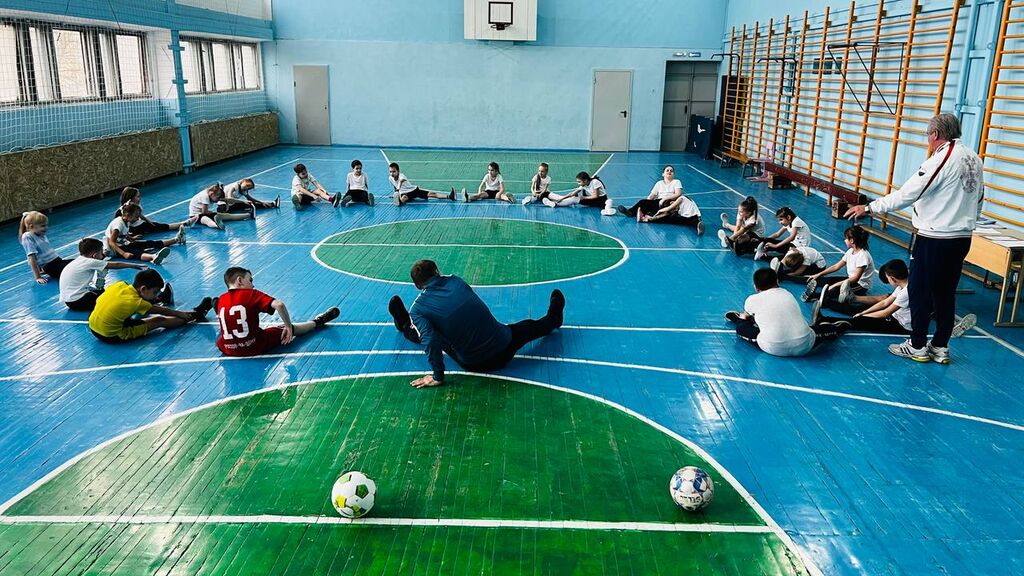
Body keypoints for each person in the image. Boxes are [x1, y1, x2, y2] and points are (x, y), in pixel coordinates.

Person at [845, 113, 984, 364]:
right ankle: (940, 346)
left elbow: (908, 193)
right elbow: (979, 197)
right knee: (945, 293)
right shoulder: (973, 158)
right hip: (962, 237)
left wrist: (869, 207)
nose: (927, 140)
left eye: (927, 135)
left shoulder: (942, 158)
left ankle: (917, 344)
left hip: (935, 238)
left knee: (919, 291)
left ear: (935, 134)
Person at [387, 259, 565, 388]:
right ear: (437, 271)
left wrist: (437, 376)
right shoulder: (456, 281)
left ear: (418, 286)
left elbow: (430, 341)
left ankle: (405, 324)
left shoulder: (418, 309)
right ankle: (553, 318)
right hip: (505, 345)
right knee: (530, 327)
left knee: (428, 331)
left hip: (476, 363)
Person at [815, 259, 977, 341]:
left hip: (901, 326)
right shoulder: (903, 285)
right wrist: (865, 311)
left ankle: (825, 321)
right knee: (859, 314)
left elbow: (885, 311)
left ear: (892, 278)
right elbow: (885, 303)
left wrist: (863, 316)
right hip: (894, 317)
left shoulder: (907, 291)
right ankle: (827, 310)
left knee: (860, 322)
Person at [215, 267, 339, 357]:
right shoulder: (251, 294)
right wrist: (288, 326)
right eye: (250, 280)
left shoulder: (221, 299)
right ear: (240, 280)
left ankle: (216, 310)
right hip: (254, 346)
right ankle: (318, 321)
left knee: (222, 337)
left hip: (228, 348)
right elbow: (279, 305)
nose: (252, 285)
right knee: (287, 329)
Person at [724, 268, 849, 357]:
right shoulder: (787, 293)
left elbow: (746, 316)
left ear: (756, 287)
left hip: (773, 347)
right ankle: (838, 328)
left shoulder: (752, 299)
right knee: (818, 332)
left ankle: (736, 319)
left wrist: (743, 318)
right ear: (777, 282)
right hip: (804, 345)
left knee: (742, 328)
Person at [88, 269, 214, 344]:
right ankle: (197, 314)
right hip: (111, 335)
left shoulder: (119, 285)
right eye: (155, 292)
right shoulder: (135, 302)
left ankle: (161, 298)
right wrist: (182, 314)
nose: (155, 295)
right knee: (159, 320)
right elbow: (163, 312)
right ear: (143, 288)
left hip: (93, 328)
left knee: (140, 309)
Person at [801, 226, 875, 314]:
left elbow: (856, 278)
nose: (844, 240)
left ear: (851, 240)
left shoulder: (863, 256)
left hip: (860, 285)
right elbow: (836, 266)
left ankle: (816, 296)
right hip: (850, 279)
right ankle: (817, 295)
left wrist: (835, 285)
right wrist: (819, 274)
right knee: (829, 280)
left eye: (846, 239)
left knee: (835, 289)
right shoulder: (850, 251)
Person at [59, 238, 147, 311]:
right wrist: (135, 265)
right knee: (114, 297)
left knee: (102, 291)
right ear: (94, 255)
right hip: (79, 301)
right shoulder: (89, 262)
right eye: (101, 253)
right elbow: (116, 265)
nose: (102, 255)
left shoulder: (79, 260)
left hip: (70, 301)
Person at [106, 203, 183, 263]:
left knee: (148, 243)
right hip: (115, 249)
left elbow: (123, 234)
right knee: (135, 252)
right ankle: (153, 257)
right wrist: (123, 254)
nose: (137, 218)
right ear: (128, 215)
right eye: (136, 216)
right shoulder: (118, 225)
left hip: (123, 244)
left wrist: (132, 238)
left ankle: (177, 239)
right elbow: (111, 242)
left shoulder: (127, 221)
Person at [19, 211, 71, 284]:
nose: (46, 228)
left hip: (58, 261)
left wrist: (41, 270)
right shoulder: (27, 236)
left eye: (46, 225)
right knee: (73, 269)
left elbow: (41, 251)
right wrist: (38, 277)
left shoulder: (40, 233)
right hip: (50, 267)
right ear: (31, 226)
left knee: (77, 262)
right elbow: (32, 258)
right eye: (43, 226)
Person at [115, 187, 192, 235]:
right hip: (131, 229)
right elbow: (120, 224)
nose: (140, 198)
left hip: (138, 225)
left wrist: (150, 222)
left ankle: (184, 224)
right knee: (160, 227)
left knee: (157, 226)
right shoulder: (121, 211)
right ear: (131, 198)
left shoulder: (136, 206)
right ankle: (184, 223)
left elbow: (141, 216)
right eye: (137, 197)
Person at [617, 165, 685, 219]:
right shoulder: (659, 183)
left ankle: (652, 214)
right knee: (642, 202)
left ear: (673, 174)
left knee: (665, 204)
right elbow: (652, 195)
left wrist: (664, 199)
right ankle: (630, 212)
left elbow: (678, 194)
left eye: (671, 171)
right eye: (667, 170)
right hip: (659, 202)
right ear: (663, 174)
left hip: (670, 202)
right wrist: (646, 203)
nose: (669, 171)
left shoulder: (676, 182)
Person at [389, 162, 457, 206]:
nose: (392, 173)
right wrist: (396, 194)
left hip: (414, 190)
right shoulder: (390, 178)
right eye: (390, 172)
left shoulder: (401, 176)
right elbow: (395, 186)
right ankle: (399, 202)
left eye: (394, 171)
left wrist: (398, 190)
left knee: (432, 194)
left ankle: (450, 196)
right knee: (404, 198)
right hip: (405, 193)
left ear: (398, 171)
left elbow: (400, 182)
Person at [542, 171, 610, 210]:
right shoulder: (584, 185)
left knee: (574, 199)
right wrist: (562, 198)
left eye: (579, 182)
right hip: (593, 200)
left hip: (601, 200)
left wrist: (584, 197)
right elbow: (572, 193)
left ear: (585, 180)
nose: (578, 183)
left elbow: (596, 196)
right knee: (573, 197)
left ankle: (555, 204)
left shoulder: (595, 182)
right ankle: (553, 201)